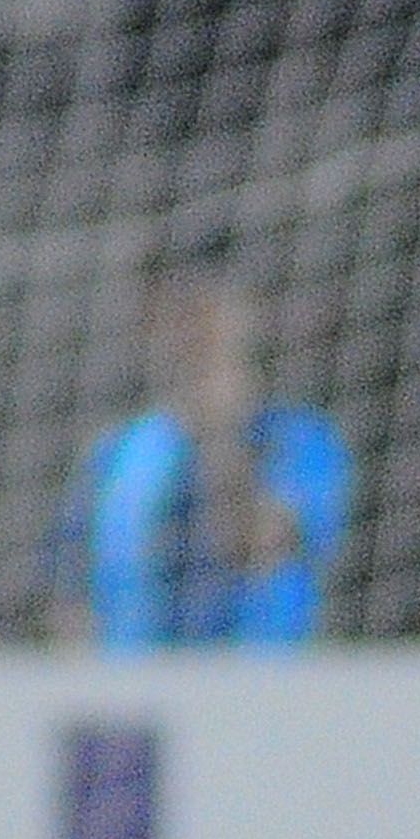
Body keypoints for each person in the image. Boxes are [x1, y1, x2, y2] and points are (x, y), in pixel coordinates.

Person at [59, 252, 349, 647]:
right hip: (136, 679)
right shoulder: (116, 454)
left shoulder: (299, 440)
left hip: (259, 679)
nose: (188, 331)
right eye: (173, 314)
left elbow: (258, 546)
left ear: (244, 318)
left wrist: (215, 429)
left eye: (202, 310)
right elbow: (72, 598)